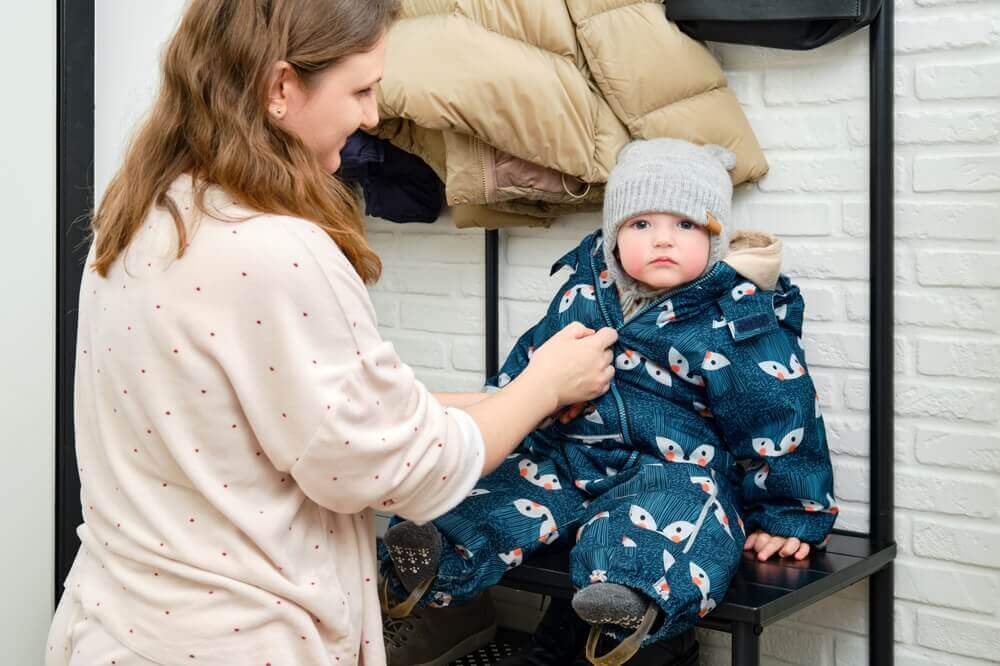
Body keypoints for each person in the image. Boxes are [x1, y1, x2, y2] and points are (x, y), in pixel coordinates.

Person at [44, 1, 618, 664]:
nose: (373, 117)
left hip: (115, 628)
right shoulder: (278, 250)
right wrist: (543, 387)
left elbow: (295, 417)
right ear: (282, 87)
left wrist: (502, 395)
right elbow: (409, 468)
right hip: (240, 641)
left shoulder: (144, 215)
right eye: (361, 90)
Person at [379, 139, 838, 665]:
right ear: (615, 232)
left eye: (685, 225)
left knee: (669, 522)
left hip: (674, 469)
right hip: (569, 457)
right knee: (487, 488)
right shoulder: (585, 287)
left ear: (715, 237)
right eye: (641, 225)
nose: (662, 240)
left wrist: (790, 515)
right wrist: (504, 407)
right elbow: (536, 360)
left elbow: (780, 412)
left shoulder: (734, 318)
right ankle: (431, 550)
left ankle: (627, 600)